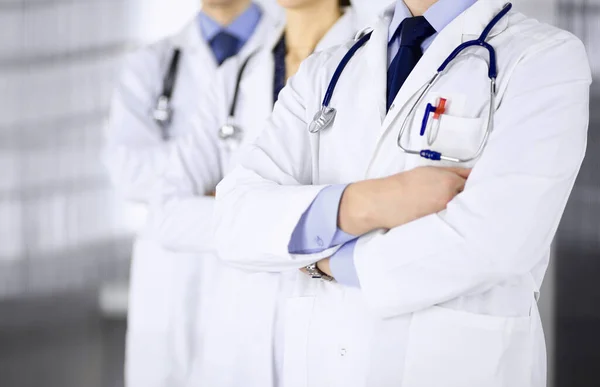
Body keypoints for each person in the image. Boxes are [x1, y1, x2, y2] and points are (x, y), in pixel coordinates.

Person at [212, 0, 592, 386]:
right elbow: (234, 221)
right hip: (323, 364)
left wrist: (323, 259)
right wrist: (371, 203)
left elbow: (499, 240)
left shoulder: (544, 57)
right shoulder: (327, 68)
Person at [145, 0, 358, 386]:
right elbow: (167, 214)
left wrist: (245, 213)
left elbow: (382, 210)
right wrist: (308, 220)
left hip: (338, 325)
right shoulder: (237, 76)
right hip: (240, 329)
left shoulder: (374, 63)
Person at [103, 2, 280, 387]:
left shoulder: (291, 51)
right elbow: (128, 172)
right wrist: (234, 179)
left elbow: (293, 178)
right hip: (170, 272)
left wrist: (192, 182)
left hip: (255, 267)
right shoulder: (152, 63)